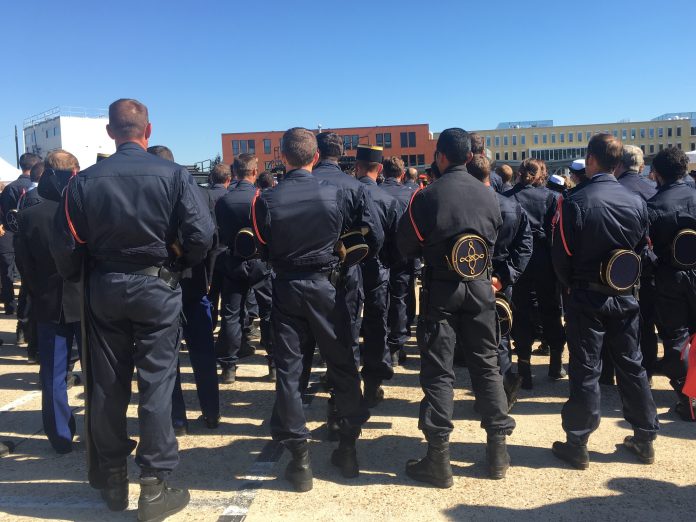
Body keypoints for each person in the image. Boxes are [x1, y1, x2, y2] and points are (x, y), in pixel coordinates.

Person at [50, 99, 213, 520]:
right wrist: (177, 265)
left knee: (107, 384)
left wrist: (82, 274)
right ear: (149, 130)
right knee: (157, 383)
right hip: (156, 284)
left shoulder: (83, 181)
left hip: (105, 285)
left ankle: (114, 475)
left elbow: (65, 245)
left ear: (110, 133)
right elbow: (202, 234)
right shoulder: (175, 176)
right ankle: (154, 485)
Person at [252, 127, 381, 491]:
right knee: (341, 363)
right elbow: (368, 237)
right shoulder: (337, 193)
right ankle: (348, 446)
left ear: (283, 156)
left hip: (287, 285)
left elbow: (260, 246)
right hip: (328, 285)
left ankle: (300, 458)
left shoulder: (267, 199)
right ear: (313, 157)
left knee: (291, 371)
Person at [398, 128, 515, 488]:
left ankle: (439, 458)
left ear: (441, 155)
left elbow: (405, 245)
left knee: (438, 372)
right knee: (487, 365)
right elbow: (498, 239)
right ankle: (497, 452)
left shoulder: (426, 196)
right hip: (480, 287)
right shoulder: (490, 196)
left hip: (443, 289)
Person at [551, 133, 659, 469]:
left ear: (591, 159)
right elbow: (642, 250)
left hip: (586, 294)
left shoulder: (574, 200)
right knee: (632, 364)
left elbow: (561, 252)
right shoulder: (637, 201)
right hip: (624, 293)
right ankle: (644, 436)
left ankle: (578, 442)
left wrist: (569, 285)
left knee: (585, 368)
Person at [147, 145, 220, 436]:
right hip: (193, 280)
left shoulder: (148, 194)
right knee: (203, 352)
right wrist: (204, 274)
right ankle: (211, 412)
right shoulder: (199, 192)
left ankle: (178, 420)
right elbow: (211, 241)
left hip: (161, 282)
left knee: (168, 357)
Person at [15, 150, 82, 454]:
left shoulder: (28, 215)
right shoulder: (82, 209)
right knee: (96, 373)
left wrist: (38, 289)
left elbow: (24, 265)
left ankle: (60, 436)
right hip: (84, 299)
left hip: (47, 301)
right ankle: (100, 430)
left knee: (53, 374)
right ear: (73, 172)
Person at [468, 155, 533, 410]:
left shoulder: (464, 206)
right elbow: (525, 246)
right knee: (501, 336)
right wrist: (505, 277)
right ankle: (502, 394)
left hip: (473, 278)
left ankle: (488, 395)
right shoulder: (511, 206)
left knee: (475, 338)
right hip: (498, 280)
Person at [312, 132, 383, 366]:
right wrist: (360, 257)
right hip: (345, 268)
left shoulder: (301, 184)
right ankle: (342, 394)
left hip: (306, 270)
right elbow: (375, 234)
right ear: (341, 155)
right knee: (347, 333)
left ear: (317, 153)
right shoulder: (354, 186)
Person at [504, 158, 566, 388]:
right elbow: (556, 234)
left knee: (522, 311)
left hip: (519, 260)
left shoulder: (508, 197)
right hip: (545, 260)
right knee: (551, 309)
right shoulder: (553, 197)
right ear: (541, 174)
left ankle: (524, 368)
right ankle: (556, 363)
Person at [214, 153, 274, 382]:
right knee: (268, 312)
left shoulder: (224, 200)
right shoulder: (261, 198)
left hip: (233, 260)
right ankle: (273, 364)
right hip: (259, 261)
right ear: (253, 172)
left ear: (235, 173)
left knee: (230, 314)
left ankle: (229, 367)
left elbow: (219, 232)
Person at [647, 147, 696, 421]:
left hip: (669, 276)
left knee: (676, 338)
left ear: (657, 175)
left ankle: (687, 398)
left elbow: (644, 249)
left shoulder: (653, 206)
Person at [355, 146, 401, 406]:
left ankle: (343, 387)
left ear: (357, 167)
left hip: (349, 270)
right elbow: (397, 245)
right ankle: (373, 384)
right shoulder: (388, 200)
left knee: (347, 327)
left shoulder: (344, 193)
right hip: (378, 270)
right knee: (375, 326)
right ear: (379, 169)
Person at [614, 145, 659, 382]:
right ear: (641, 166)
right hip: (651, 266)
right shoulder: (655, 190)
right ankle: (647, 371)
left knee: (617, 322)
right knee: (647, 321)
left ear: (618, 164)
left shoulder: (614, 190)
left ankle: (615, 371)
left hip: (617, 269)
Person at [379, 156, 415, 366]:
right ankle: (397, 344)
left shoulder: (375, 192)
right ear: (402, 174)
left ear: (384, 171)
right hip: (404, 252)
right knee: (401, 297)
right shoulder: (411, 195)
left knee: (380, 297)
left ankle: (385, 342)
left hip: (381, 252)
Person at [0, 153, 40, 324]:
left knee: (9, 272)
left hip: (12, 237)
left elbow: (7, 217)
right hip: (34, 239)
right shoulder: (40, 189)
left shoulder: (11, 188)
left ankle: (11, 307)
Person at [204, 163, 232, 330]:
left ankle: (209, 325)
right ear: (229, 179)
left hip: (208, 253)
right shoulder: (231, 196)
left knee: (210, 294)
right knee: (230, 297)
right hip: (228, 252)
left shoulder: (203, 196)